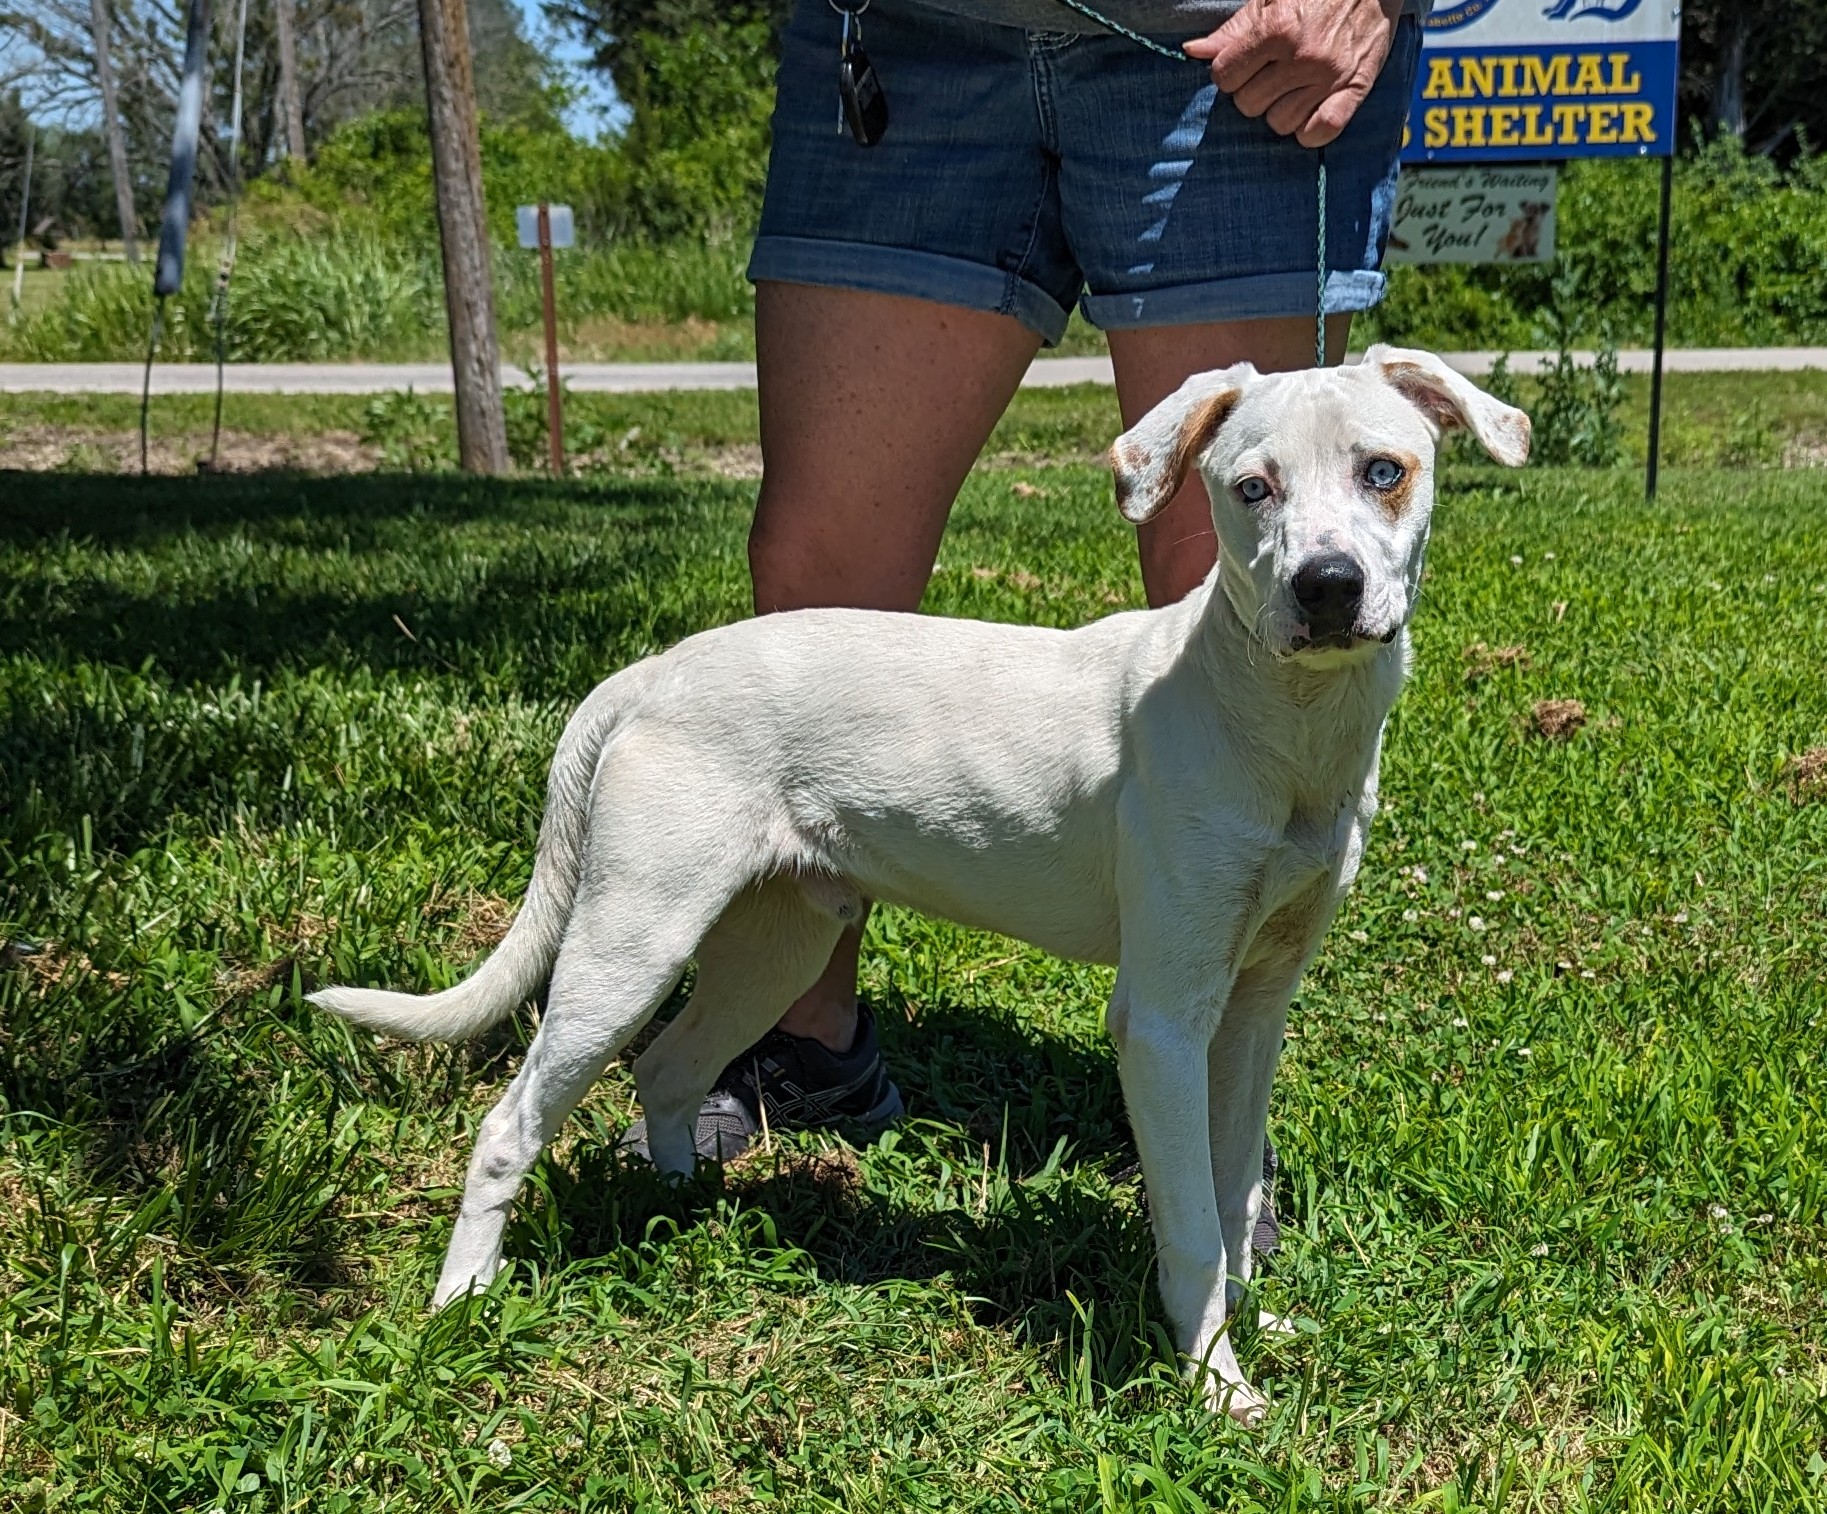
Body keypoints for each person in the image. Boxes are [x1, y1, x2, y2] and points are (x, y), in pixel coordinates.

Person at [623, 0, 1427, 1244]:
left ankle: (1204, 1094)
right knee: (818, 581)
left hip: (1242, 39)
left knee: (1233, 567)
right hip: (899, 36)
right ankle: (796, 1035)